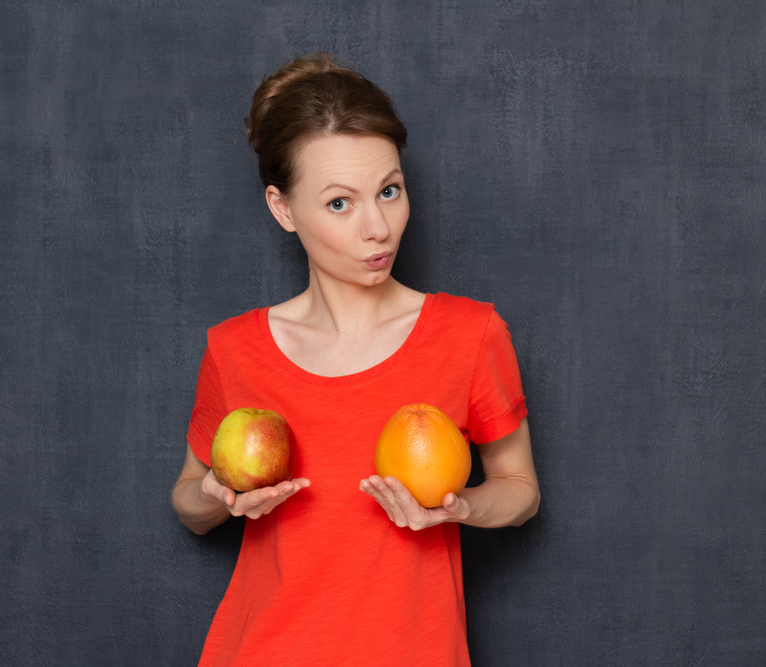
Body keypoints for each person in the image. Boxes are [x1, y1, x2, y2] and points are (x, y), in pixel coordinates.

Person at [171, 52, 540, 666]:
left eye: (389, 191)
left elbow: (521, 490)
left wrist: (460, 509)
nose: (379, 228)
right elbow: (189, 505)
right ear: (282, 208)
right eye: (340, 203)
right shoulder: (235, 348)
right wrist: (219, 494)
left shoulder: (471, 333)